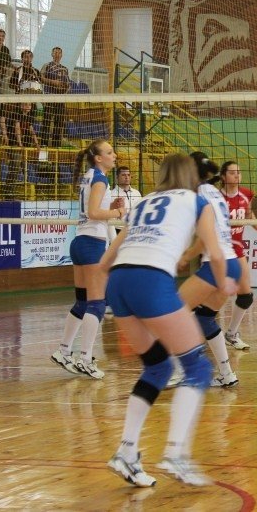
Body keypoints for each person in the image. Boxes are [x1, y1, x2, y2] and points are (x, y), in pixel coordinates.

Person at [103, 153, 234, 488]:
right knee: (198, 368)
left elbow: (106, 261)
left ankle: (126, 451)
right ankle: (176, 454)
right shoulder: (197, 200)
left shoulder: (144, 201)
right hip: (150, 281)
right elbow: (216, 252)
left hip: (118, 283)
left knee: (158, 367)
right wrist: (224, 283)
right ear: (191, 175)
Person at [50, 139, 126, 379]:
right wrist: (117, 212)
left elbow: (91, 209)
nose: (114, 155)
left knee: (83, 302)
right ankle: (85, 358)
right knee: (97, 303)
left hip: (80, 243)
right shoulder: (100, 179)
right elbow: (94, 212)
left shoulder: (88, 176)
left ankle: (63, 351)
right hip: (92, 244)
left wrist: (109, 206)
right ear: (98, 158)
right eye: (110, 152)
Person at [173, 152, 242, 388]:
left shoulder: (196, 195)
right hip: (232, 263)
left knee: (173, 312)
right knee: (204, 319)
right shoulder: (214, 191)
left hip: (215, 263)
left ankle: (176, 370)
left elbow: (205, 237)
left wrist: (185, 256)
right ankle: (227, 374)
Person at [219, 161, 257, 350]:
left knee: (246, 296)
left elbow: (249, 214)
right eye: (232, 172)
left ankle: (231, 333)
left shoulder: (246, 194)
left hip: (237, 250)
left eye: (239, 172)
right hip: (218, 250)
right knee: (211, 297)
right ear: (223, 176)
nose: (237, 175)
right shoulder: (215, 197)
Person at [40, 46, 70, 148]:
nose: (57, 54)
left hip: (60, 98)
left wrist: (65, 89)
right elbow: (41, 78)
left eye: (59, 53)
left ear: (61, 55)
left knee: (59, 122)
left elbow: (67, 84)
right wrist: (54, 82)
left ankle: (56, 146)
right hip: (49, 97)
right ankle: (43, 144)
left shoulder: (65, 69)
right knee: (46, 121)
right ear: (52, 54)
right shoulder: (47, 65)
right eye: (55, 52)